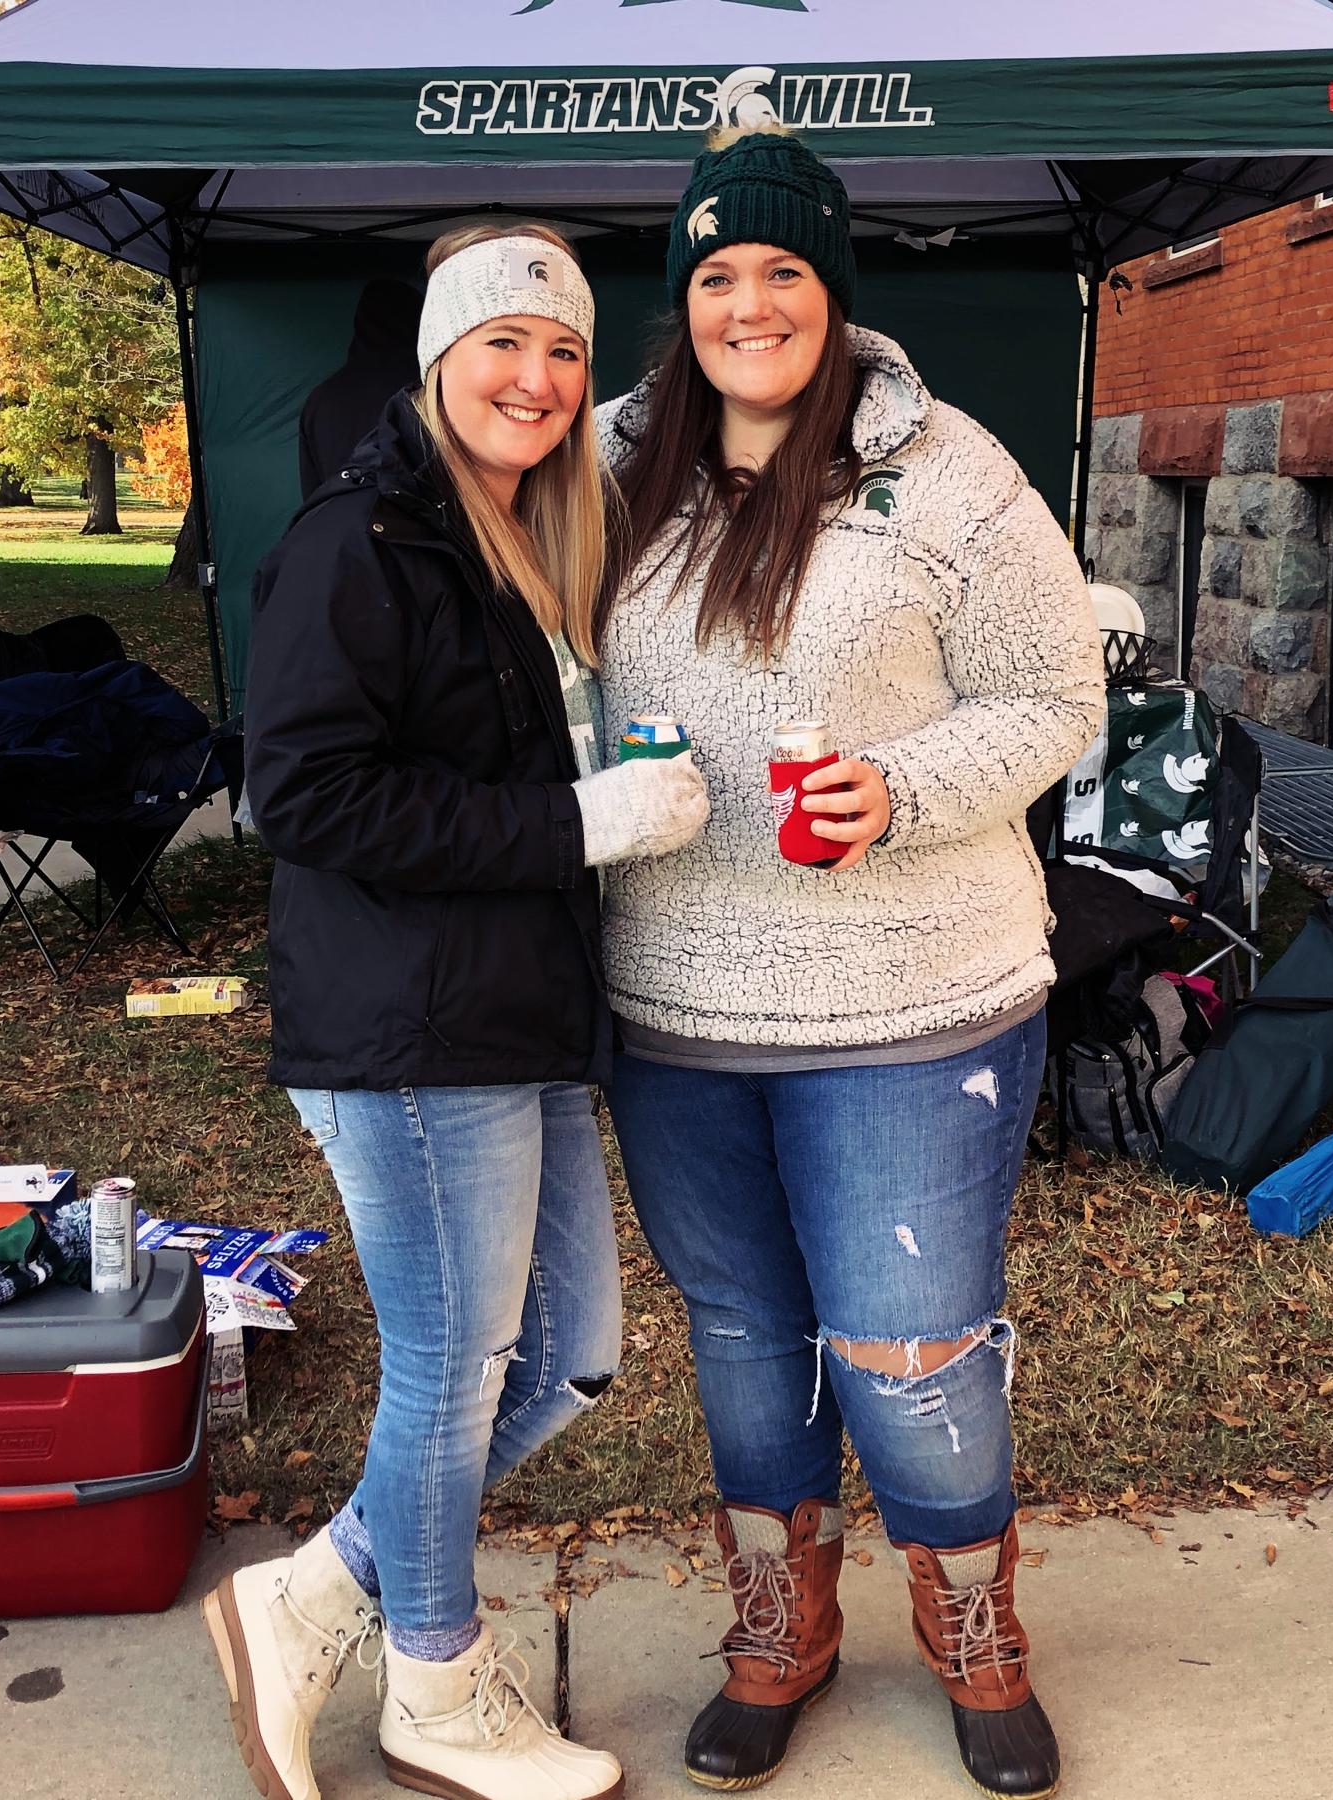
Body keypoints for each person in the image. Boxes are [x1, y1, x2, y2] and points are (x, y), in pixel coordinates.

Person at [595, 127, 1105, 1800]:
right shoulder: (610, 466)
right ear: (683, 295)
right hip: (674, 1002)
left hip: (914, 1001)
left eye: (782, 271)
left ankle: (975, 1631)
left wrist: (901, 788)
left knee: (911, 1348)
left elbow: (1057, 697)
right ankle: (783, 1629)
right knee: (747, 1338)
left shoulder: (948, 473)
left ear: (835, 288)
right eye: (716, 273)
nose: (747, 304)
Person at [210, 221, 709, 1800]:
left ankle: (310, 1594)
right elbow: (304, 795)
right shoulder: (360, 542)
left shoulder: (529, 541)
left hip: (519, 1013)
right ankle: (432, 1684)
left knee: (569, 1355)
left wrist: (612, 794)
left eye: (565, 351)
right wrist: (580, 824)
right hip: (410, 1029)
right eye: (505, 342)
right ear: (439, 358)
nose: (539, 379)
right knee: (453, 1365)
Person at [296, 276, 422, 499]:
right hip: (414, 519)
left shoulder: (320, 399)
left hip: (336, 518)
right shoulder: (424, 393)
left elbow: (312, 492)